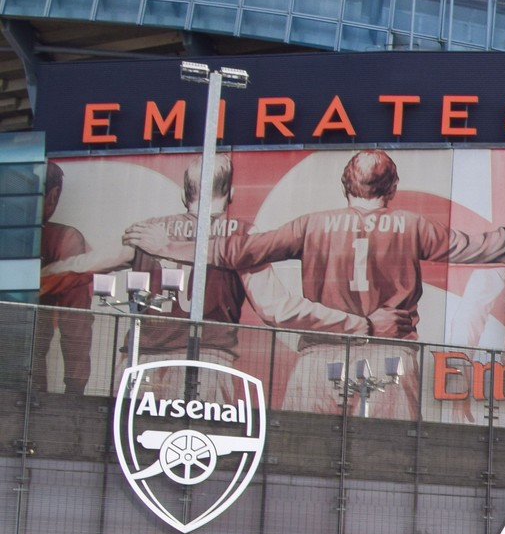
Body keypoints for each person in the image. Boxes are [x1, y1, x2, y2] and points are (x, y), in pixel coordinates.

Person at [125, 149, 505, 417]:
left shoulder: (311, 224)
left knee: (300, 469)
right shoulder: (412, 226)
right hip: (391, 358)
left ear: (345, 187)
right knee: (390, 470)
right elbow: (498, 244)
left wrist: (170, 244)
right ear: (391, 190)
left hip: (319, 357)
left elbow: (233, 252)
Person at [46, 156, 411, 400]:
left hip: (142, 361)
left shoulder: (148, 232)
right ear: (231, 195)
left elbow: (79, 266)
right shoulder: (242, 238)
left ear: (184, 194)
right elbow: (278, 310)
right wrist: (359, 324)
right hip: (209, 362)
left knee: (126, 450)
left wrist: (30, 275)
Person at [36, 162, 95, 394]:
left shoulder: (59, 239)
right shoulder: (62, 238)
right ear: (53, 195)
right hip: (24, 367)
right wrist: (75, 386)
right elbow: (75, 319)